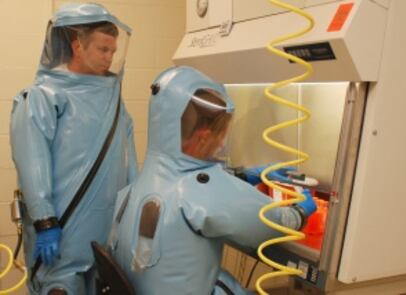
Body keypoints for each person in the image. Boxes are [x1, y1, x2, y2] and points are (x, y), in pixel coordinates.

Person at [107, 66, 316, 294]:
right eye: (221, 137)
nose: (221, 145)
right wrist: (299, 212)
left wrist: (244, 175)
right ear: (203, 137)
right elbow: (269, 224)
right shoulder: (196, 188)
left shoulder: (142, 181)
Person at [10, 3, 138, 294]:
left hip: (106, 241)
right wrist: (44, 220)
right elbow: (33, 162)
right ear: (78, 46)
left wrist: (134, 213)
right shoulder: (42, 98)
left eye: (113, 51)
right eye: (103, 49)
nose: (109, 58)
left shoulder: (114, 102)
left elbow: (129, 163)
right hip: (60, 238)